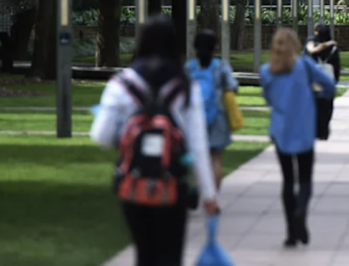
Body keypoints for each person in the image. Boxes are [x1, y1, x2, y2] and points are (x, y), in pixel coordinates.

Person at [90, 15, 218, 266]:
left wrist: (128, 138)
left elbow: (101, 136)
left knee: (145, 254)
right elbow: (198, 146)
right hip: (172, 183)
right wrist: (209, 194)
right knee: (170, 256)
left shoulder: (122, 84)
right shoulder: (185, 86)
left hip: (133, 181)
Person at [260, 28, 336, 247]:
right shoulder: (304, 65)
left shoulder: (267, 71)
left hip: (281, 130)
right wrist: (318, 95)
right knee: (304, 178)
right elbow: (329, 84)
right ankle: (301, 211)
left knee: (287, 180)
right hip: (303, 128)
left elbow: (268, 98)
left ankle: (291, 233)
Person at [188, 29, 239, 190]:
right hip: (218, 116)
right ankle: (213, 198)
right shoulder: (220, 67)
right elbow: (233, 86)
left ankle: (199, 190)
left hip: (195, 117)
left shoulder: (189, 68)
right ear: (214, 46)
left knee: (198, 157)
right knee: (216, 157)